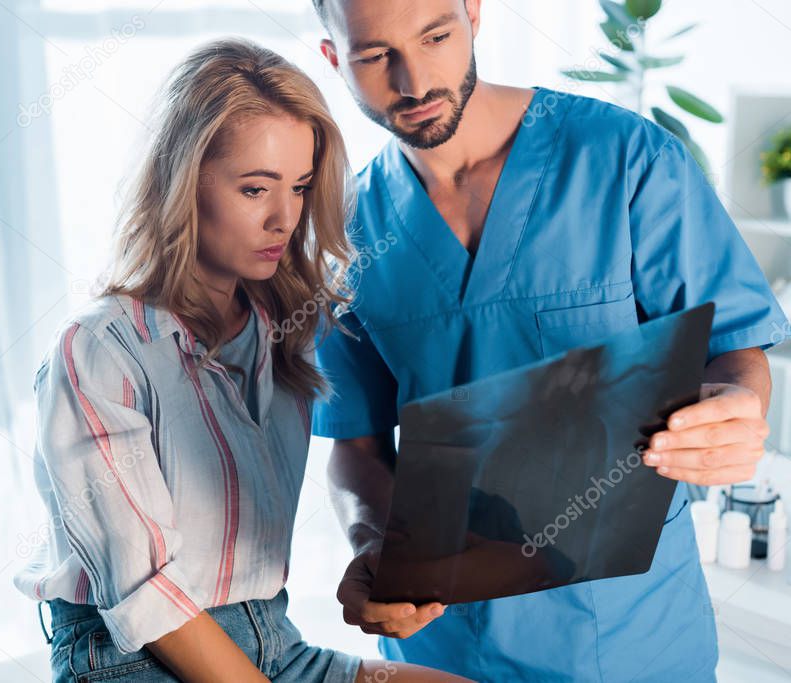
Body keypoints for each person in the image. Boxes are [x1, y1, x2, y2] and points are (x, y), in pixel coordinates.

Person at [308, 0, 789, 680]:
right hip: (443, 652)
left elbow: (734, 345)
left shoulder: (622, 158)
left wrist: (738, 404)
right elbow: (354, 444)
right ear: (332, 57)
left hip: (629, 637)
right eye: (372, 55)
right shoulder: (350, 236)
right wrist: (370, 541)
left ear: (474, 12)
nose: (413, 80)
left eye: (435, 35)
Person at [12, 37, 468, 683]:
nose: (284, 218)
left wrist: (377, 560)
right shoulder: (100, 350)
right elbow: (148, 599)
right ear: (182, 180)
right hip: (139, 659)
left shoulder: (281, 331)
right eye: (255, 189)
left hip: (273, 641)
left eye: (301, 188)